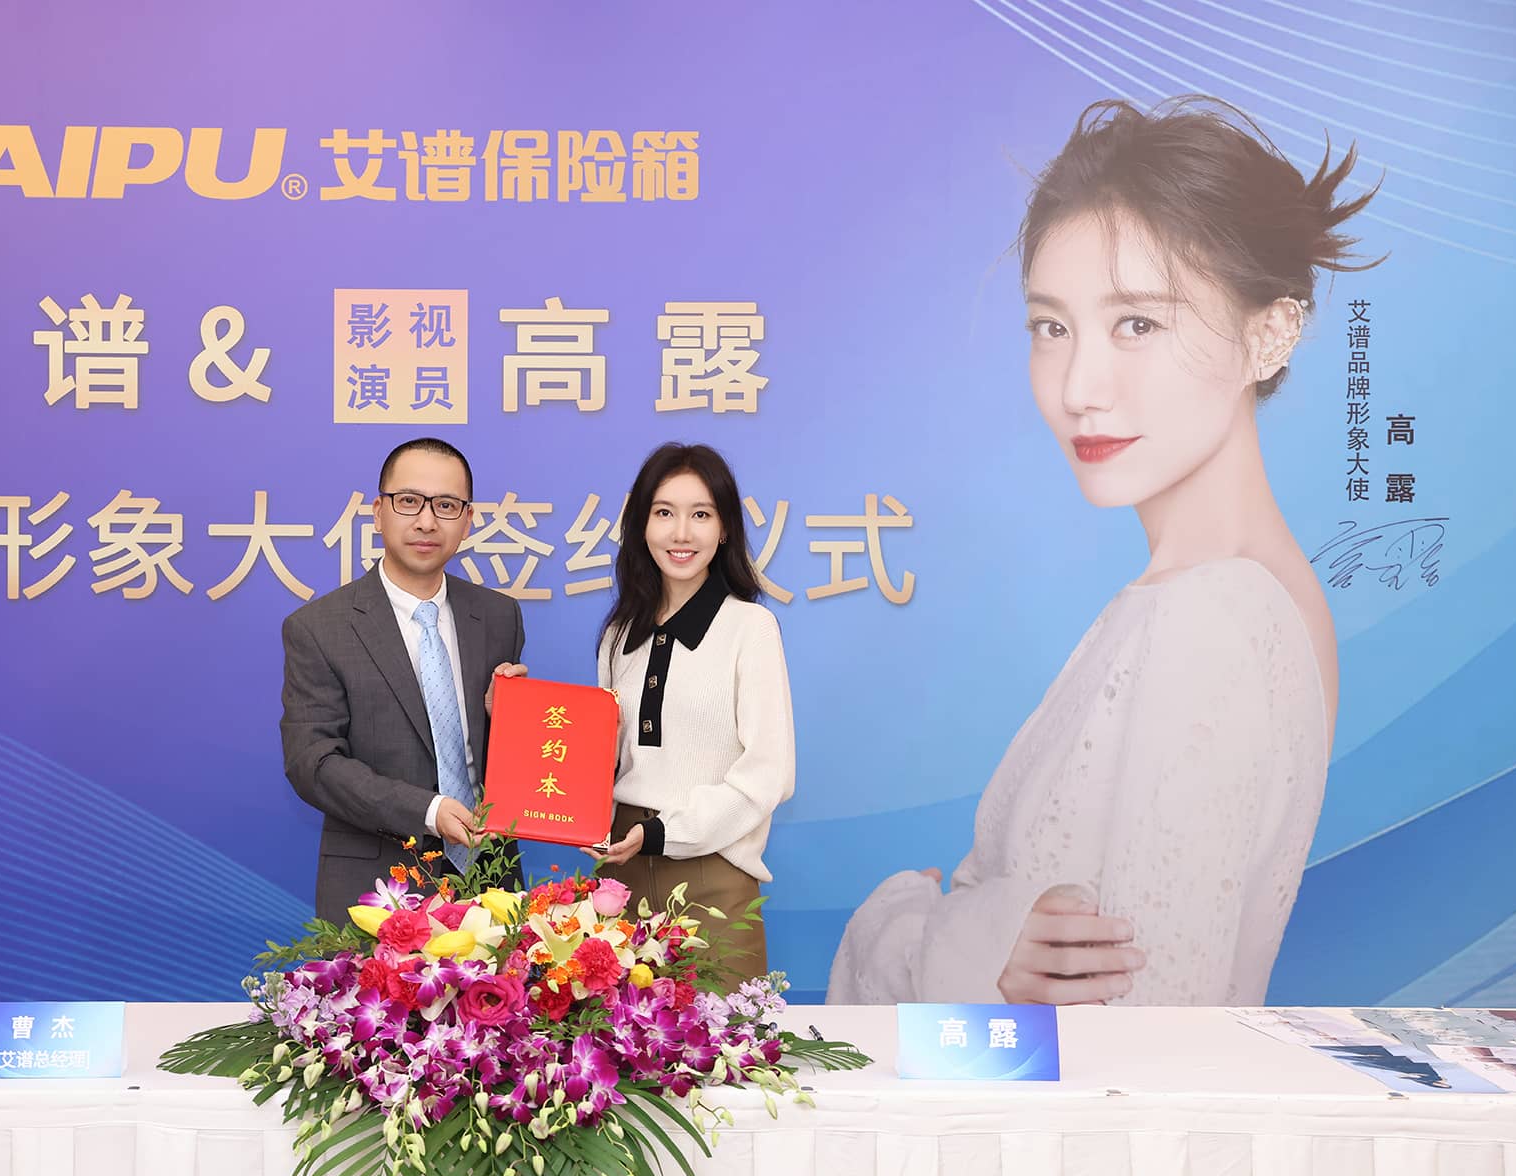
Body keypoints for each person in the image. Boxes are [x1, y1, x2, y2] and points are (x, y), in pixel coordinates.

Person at [830, 96, 1374, 1006]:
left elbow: (1143, 1033)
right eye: (1052, 327)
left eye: (1138, 324)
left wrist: (908, 927)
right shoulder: (1256, 594)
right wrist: (974, 933)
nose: (1079, 386)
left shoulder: (1207, 619)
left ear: (1269, 333)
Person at [281, 438, 527, 923]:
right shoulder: (319, 628)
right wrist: (428, 810)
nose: (427, 521)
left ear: (468, 520)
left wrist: (513, 718)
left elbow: (503, 762)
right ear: (379, 512)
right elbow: (314, 763)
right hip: (378, 890)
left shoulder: (499, 617)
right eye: (409, 501)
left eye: (446, 505)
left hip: (490, 884)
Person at [584, 443, 795, 978]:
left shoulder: (750, 628)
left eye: (701, 515)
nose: (681, 533)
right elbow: (604, 760)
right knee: (617, 1032)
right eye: (664, 513)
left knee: (723, 1032)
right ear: (641, 526)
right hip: (621, 876)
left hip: (714, 875)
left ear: (724, 530)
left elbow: (770, 773)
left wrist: (665, 832)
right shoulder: (618, 636)